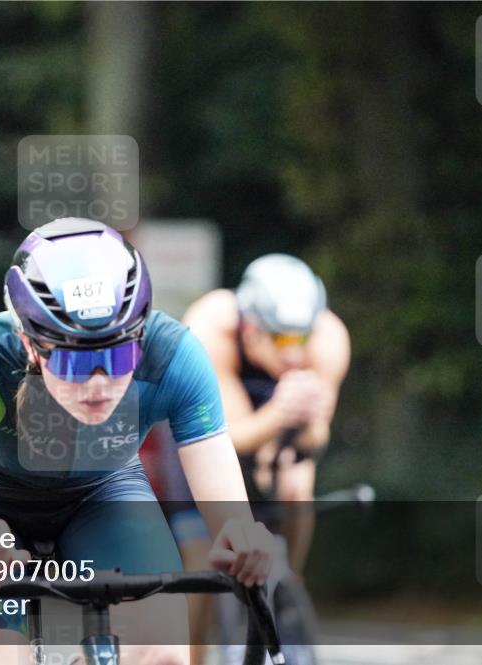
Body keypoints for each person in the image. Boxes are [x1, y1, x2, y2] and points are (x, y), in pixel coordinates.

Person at [0, 218, 274, 665]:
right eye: (75, 363)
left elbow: (232, 524)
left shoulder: (175, 355)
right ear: (29, 344)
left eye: (119, 354)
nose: (99, 384)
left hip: (104, 492)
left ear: (141, 335)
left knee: (161, 655)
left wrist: (243, 539)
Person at [171, 254, 350, 665]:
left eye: (301, 340)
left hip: (276, 419)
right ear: (250, 330)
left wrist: (288, 442)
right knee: (201, 563)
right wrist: (279, 413)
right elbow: (227, 438)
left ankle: (290, 578)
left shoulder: (329, 337)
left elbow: (316, 437)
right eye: (281, 341)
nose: (294, 355)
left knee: (296, 487)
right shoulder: (211, 325)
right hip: (203, 429)